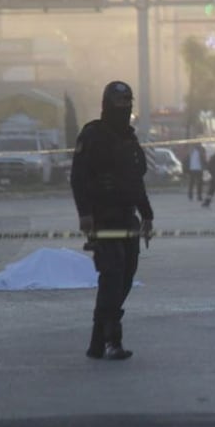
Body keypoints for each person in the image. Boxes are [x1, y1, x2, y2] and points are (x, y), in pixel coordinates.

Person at [70, 80, 153, 361]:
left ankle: (97, 341)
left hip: (127, 218)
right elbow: (78, 179)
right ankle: (111, 341)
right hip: (103, 219)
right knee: (112, 277)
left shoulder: (129, 138)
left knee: (126, 278)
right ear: (107, 104)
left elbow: (135, 181)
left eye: (128, 102)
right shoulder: (93, 135)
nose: (124, 107)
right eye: (119, 102)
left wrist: (148, 214)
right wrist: (85, 216)